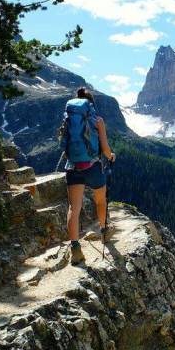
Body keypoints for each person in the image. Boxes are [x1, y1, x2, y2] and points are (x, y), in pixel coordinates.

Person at [60, 87, 116, 264]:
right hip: (92, 166)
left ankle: (75, 248)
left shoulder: (68, 119)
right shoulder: (97, 120)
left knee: (73, 209)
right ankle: (104, 230)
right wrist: (111, 156)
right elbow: (105, 149)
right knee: (100, 201)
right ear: (91, 104)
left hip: (73, 167)